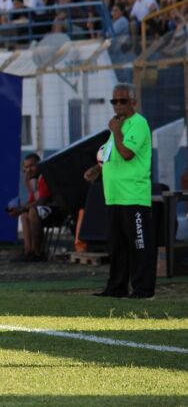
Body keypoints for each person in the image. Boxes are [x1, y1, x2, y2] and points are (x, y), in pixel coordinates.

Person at [84, 83, 156, 299]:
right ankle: (116, 288)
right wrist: (97, 169)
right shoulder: (117, 124)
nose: (117, 105)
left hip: (133, 196)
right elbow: (110, 154)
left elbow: (126, 153)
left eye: (122, 101)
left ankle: (143, 290)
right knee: (117, 247)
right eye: (114, 101)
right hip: (114, 196)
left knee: (139, 246)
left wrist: (115, 131)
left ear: (133, 102)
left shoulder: (137, 124)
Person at [8, 153, 65, 262]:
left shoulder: (44, 177)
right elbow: (31, 201)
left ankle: (38, 253)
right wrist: (19, 210)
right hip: (43, 209)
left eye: (32, 166)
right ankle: (28, 252)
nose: (29, 170)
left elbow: (42, 201)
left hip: (57, 210)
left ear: (39, 165)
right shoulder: (32, 180)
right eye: (26, 167)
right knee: (24, 215)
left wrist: (21, 209)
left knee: (33, 212)